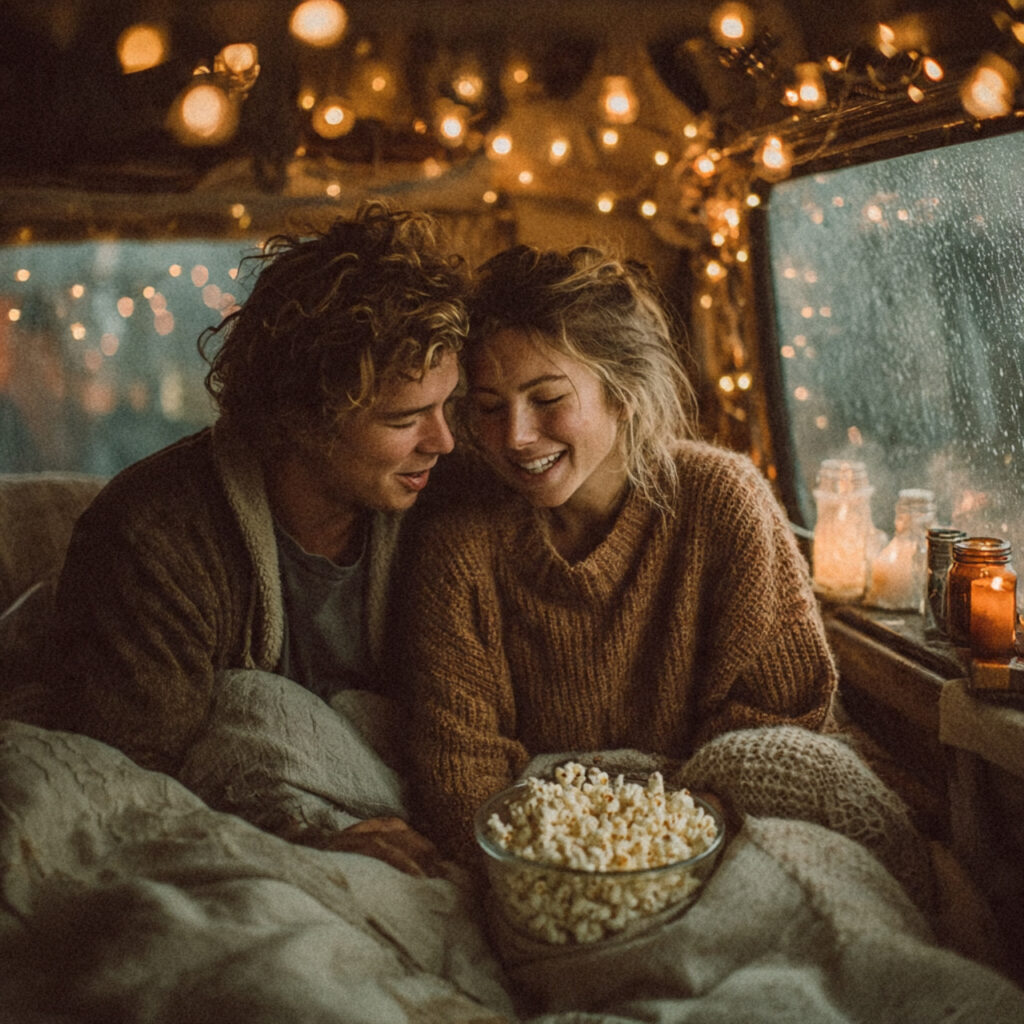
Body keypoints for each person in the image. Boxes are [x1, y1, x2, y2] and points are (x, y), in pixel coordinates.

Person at [46, 201, 469, 875]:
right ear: (302, 415)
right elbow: (130, 787)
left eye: (448, 406)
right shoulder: (151, 536)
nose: (442, 441)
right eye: (405, 419)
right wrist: (308, 841)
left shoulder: (448, 508)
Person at [392, 243, 840, 866]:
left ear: (622, 391)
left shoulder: (723, 502)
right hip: (536, 856)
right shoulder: (461, 544)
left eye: (548, 399)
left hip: (712, 839)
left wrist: (657, 844)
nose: (516, 437)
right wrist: (568, 863)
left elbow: (782, 723)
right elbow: (459, 768)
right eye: (490, 408)